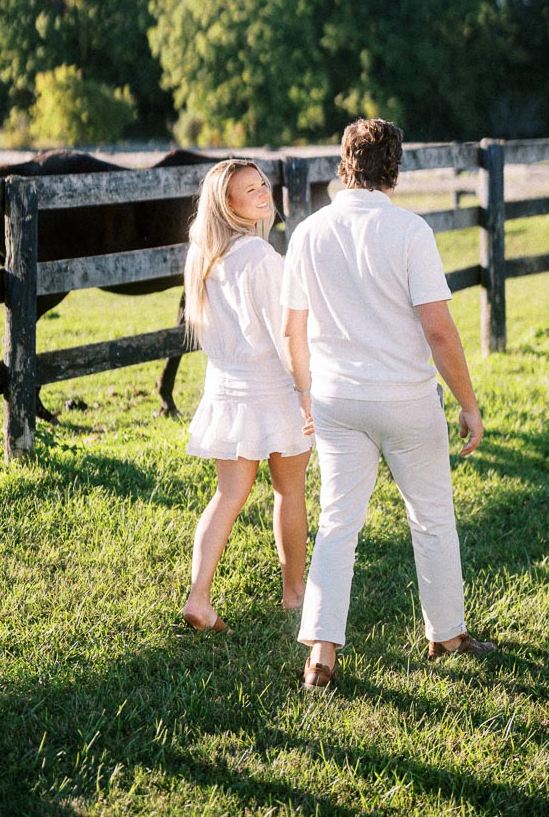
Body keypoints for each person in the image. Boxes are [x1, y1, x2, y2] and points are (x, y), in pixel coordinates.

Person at [281, 118, 496, 687]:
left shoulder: (307, 232)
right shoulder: (409, 231)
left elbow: (291, 329)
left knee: (337, 525)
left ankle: (321, 654)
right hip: (405, 400)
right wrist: (469, 404)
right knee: (431, 517)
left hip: (335, 399)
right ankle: (446, 634)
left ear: (343, 162)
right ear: (394, 167)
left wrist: (306, 392)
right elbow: (440, 331)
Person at [182, 158, 313, 632]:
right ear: (227, 203)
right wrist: (306, 389)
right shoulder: (260, 258)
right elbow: (286, 335)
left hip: (227, 386)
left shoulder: (206, 256)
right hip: (270, 388)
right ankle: (294, 594)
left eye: (263, 184)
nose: (262, 193)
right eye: (249, 189)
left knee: (227, 495)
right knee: (289, 490)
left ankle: (199, 596)